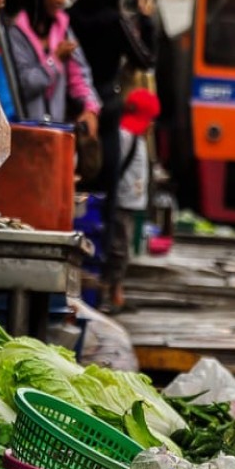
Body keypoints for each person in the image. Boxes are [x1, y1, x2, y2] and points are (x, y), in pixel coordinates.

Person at [68, 0, 156, 307]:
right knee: (107, 200)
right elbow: (145, 58)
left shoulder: (70, 17)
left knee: (71, 194)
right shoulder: (116, 20)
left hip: (71, 110)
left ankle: (71, 282)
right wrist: (146, 21)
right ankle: (102, 286)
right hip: (108, 113)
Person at [5, 0, 100, 137]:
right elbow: (23, 84)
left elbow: (79, 74)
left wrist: (90, 108)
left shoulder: (62, 28)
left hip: (56, 133)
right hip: (24, 134)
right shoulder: (15, 31)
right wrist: (54, 61)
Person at [104, 87, 161, 313]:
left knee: (122, 249)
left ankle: (116, 292)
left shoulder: (134, 136)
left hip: (128, 201)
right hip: (122, 201)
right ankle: (111, 294)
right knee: (118, 249)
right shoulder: (126, 136)